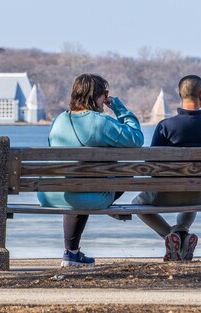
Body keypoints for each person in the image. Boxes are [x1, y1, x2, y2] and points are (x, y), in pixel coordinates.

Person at [37, 73, 144, 267]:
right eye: (105, 93)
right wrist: (119, 108)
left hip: (50, 194)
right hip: (88, 196)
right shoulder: (101, 122)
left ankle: (71, 254)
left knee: (79, 181)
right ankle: (104, 209)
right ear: (96, 95)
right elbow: (136, 139)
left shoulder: (59, 120)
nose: (106, 98)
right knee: (124, 172)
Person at [133, 75, 201, 261]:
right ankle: (181, 234)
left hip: (163, 194)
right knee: (192, 189)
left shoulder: (164, 127)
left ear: (180, 95)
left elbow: (151, 166)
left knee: (137, 205)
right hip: (197, 195)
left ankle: (171, 236)